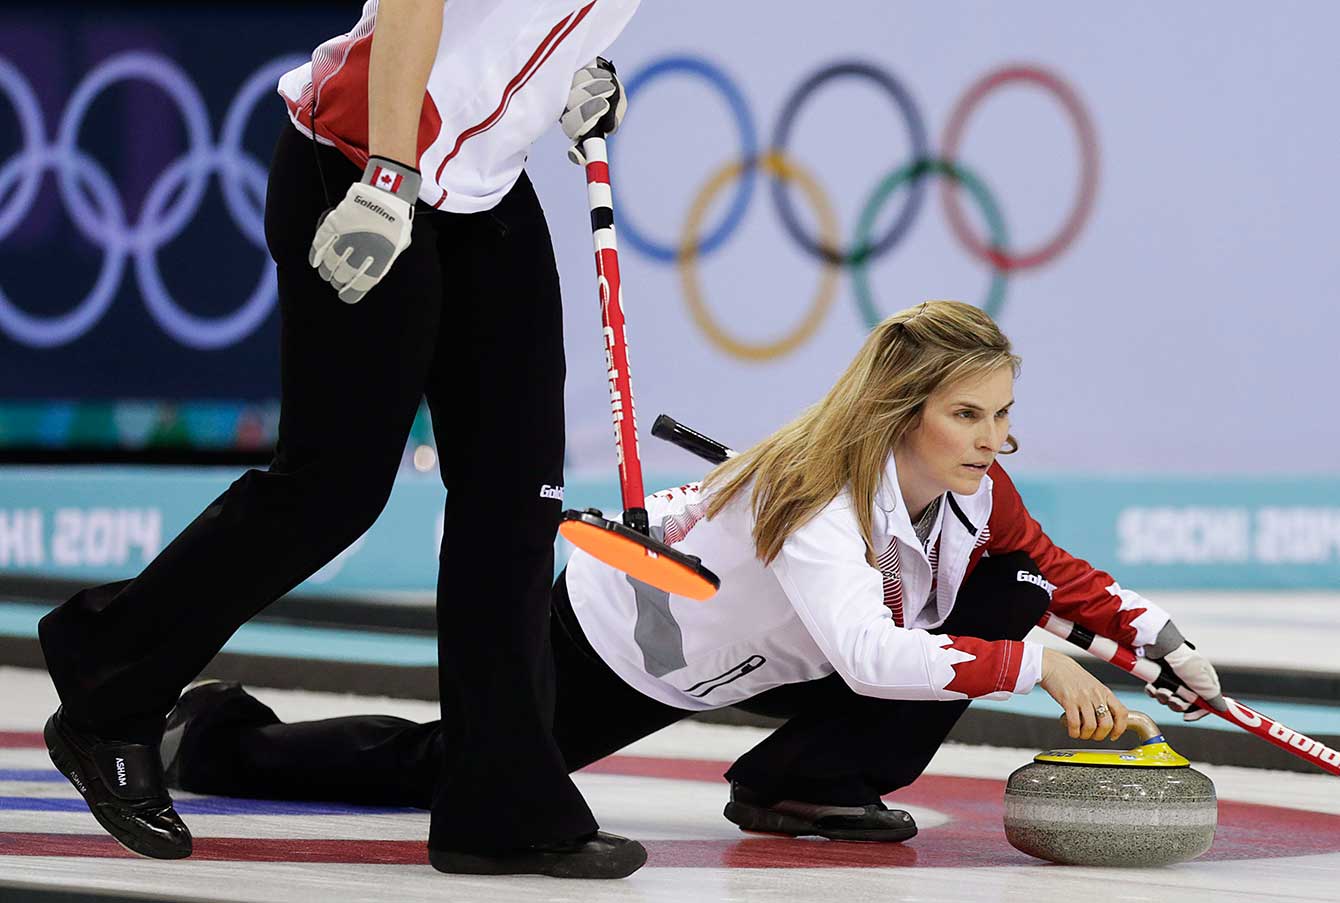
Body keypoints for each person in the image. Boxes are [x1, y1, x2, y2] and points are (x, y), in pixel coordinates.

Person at [155, 300, 1228, 846]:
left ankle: (804, 784)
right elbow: (869, 655)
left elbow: (1053, 571)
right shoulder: (818, 500)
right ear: (901, 413)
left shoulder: (976, 487)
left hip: (771, 653)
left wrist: (1159, 641)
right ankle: (216, 736)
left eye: (1001, 413)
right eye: (967, 414)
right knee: (453, 773)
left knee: (1016, 588)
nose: (993, 438)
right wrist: (1037, 664)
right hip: (630, 641)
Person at [37, 0, 648, 880]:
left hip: (484, 191)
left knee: (517, 494)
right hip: (364, 162)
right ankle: (107, 675)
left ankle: (502, 804)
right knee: (332, 486)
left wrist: (563, 75)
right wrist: (390, 177)